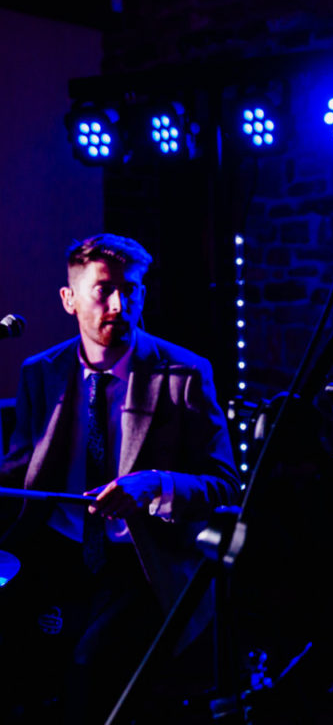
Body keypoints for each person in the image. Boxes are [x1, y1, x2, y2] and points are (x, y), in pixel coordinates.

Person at [0, 233, 240, 723]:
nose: (119, 304)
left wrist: (154, 484)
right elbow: (18, 473)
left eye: (131, 290)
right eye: (103, 290)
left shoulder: (184, 373)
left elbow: (224, 482)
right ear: (69, 300)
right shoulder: (40, 372)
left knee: (88, 667)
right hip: (54, 551)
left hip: (141, 560)